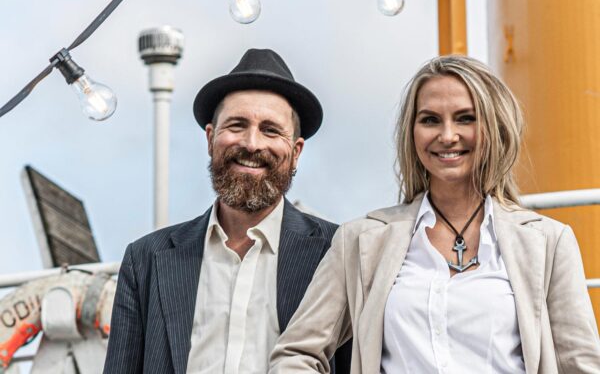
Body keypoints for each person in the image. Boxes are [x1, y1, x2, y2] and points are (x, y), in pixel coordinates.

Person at [269, 54, 600, 374]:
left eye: (465, 118)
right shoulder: (360, 241)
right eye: (430, 120)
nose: (447, 135)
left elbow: (582, 366)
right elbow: (296, 354)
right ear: (412, 133)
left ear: (494, 127)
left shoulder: (549, 243)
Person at [104, 48, 351, 374]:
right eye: (236, 125)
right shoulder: (145, 260)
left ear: (296, 151)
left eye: (270, 130)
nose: (251, 143)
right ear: (210, 138)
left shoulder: (340, 253)